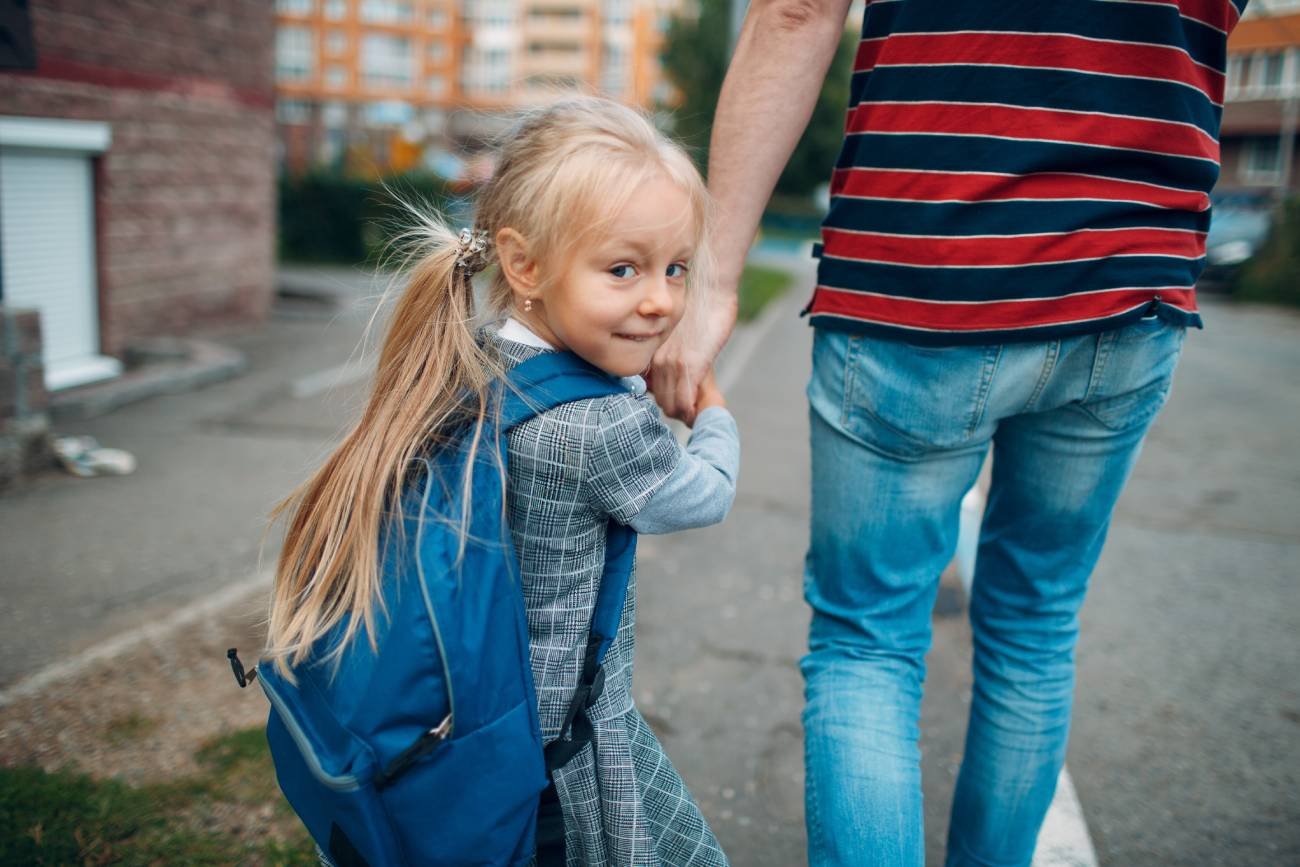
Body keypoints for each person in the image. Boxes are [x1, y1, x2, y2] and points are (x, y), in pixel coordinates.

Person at [651, 1, 1247, 865]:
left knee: (869, 644)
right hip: (1132, 286)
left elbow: (797, 11)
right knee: (1036, 626)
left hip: (924, 271)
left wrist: (711, 280)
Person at [265, 98, 737, 866]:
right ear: (525, 265)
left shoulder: (473, 355)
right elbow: (705, 492)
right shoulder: (600, 426)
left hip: (470, 710)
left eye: (675, 267)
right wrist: (713, 409)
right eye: (624, 269)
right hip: (553, 743)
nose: (659, 300)